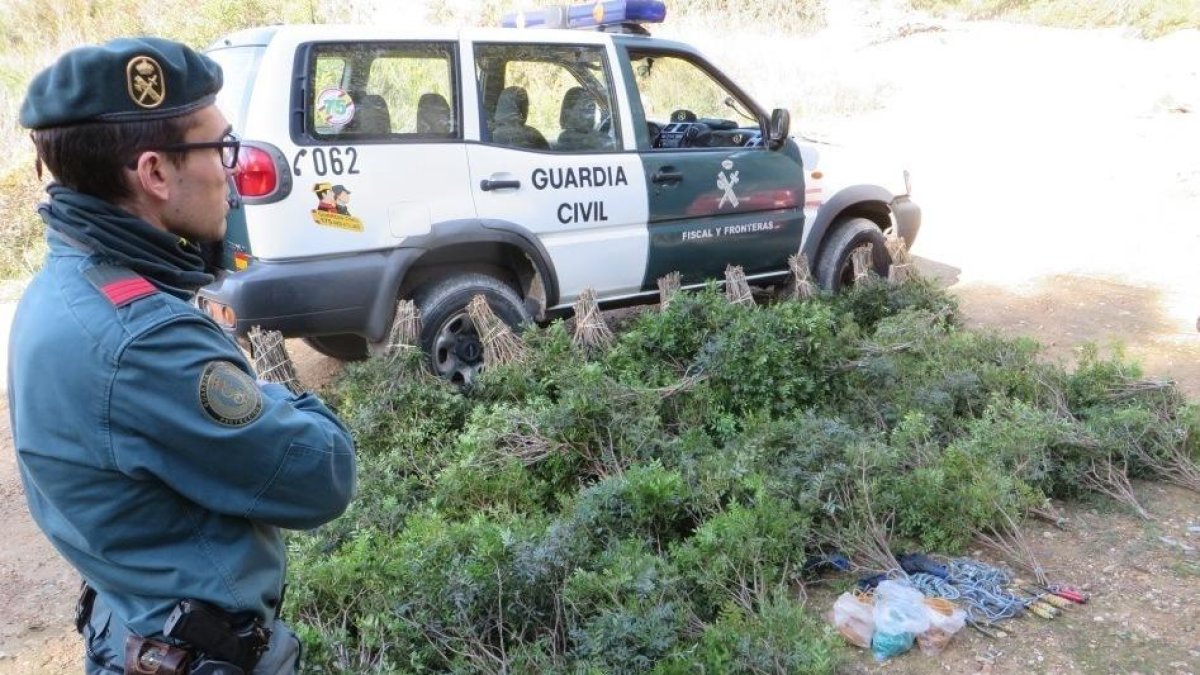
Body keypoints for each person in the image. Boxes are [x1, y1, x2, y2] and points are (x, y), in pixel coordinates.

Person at [9, 37, 357, 674]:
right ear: (155, 174)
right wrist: (282, 395)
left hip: (134, 627)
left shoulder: (64, 285)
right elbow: (322, 474)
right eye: (220, 147)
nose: (232, 168)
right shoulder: (143, 340)